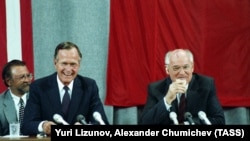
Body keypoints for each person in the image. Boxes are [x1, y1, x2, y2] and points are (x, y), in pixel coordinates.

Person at [22, 41, 109, 136]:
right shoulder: (39, 87)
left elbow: (102, 122)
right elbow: (27, 125)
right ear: (55, 63)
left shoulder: (89, 86)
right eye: (64, 63)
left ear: (79, 65)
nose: (68, 69)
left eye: (73, 64)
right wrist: (43, 126)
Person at [139, 49, 225, 125]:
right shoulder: (156, 89)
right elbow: (144, 123)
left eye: (186, 67)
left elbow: (219, 120)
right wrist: (167, 100)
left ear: (192, 67)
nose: (182, 72)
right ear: (167, 69)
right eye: (176, 68)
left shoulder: (206, 84)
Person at [0, 60, 32, 135]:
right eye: (22, 77)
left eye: (28, 76)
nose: (27, 80)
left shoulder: (39, 98)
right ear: (9, 81)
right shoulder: (1, 103)